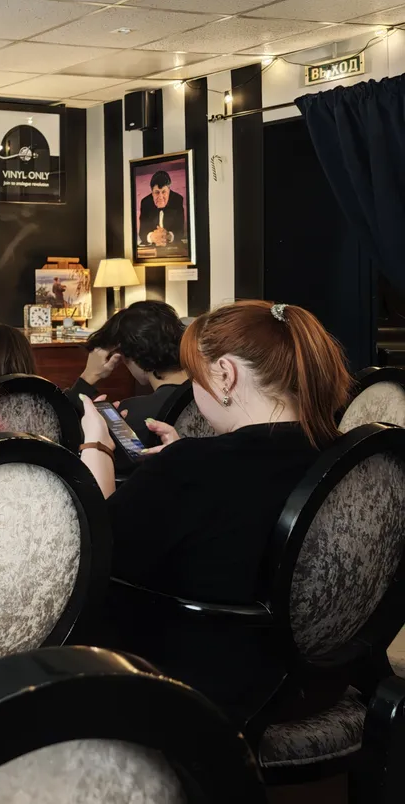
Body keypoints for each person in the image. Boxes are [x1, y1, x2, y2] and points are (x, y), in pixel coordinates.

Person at [75, 301, 351, 720]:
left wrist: (97, 449)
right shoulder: (344, 454)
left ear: (225, 373)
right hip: (321, 681)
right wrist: (178, 464)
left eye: (196, 373)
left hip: (204, 690)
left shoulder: (193, 468)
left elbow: (94, 560)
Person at [73, 301, 190, 450]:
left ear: (129, 355)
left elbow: (65, 431)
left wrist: (89, 375)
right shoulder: (211, 397)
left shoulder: (131, 414)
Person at [138, 169, 186, 248]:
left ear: (169, 191)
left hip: (172, 247)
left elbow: (180, 231)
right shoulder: (145, 202)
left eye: (164, 192)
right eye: (157, 192)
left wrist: (168, 236)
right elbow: (142, 233)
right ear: (152, 192)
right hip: (152, 247)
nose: (160, 197)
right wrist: (152, 237)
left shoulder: (177, 199)